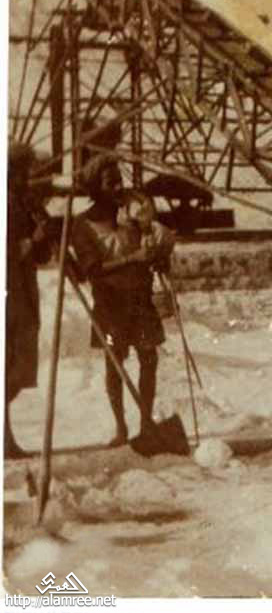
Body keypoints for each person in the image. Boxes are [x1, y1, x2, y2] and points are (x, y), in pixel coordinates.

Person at [70, 154, 169, 446]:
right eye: (110, 182)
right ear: (95, 188)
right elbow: (92, 270)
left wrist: (157, 256)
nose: (118, 187)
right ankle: (121, 428)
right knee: (115, 363)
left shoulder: (131, 217)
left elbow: (151, 246)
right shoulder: (82, 225)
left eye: (119, 181)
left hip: (140, 300)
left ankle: (147, 424)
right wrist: (134, 258)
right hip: (110, 305)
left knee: (149, 359)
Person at [5, 143, 53, 458]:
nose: (26, 178)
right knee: (8, 364)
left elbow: (43, 254)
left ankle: (5, 440)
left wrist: (42, 237)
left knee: (20, 367)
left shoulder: (26, 202)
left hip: (23, 291)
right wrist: (29, 242)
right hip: (8, 292)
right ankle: (5, 441)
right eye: (21, 172)